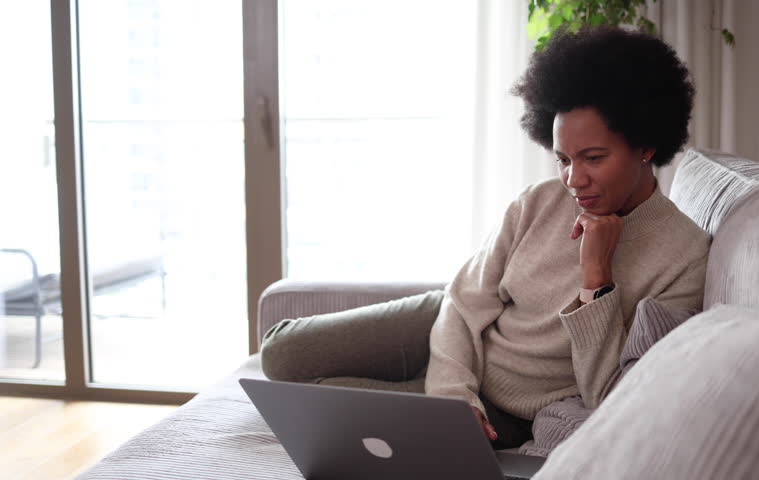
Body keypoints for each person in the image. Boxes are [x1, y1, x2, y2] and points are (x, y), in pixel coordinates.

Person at [260, 26, 710, 451]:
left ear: (646, 145)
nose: (574, 179)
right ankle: (428, 383)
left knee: (319, 402)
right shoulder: (538, 201)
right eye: (563, 159)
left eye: (593, 158)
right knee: (282, 355)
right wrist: (454, 394)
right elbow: (464, 302)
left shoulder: (685, 257)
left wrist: (596, 277)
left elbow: (606, 394)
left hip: (507, 409)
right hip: (447, 327)